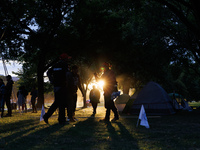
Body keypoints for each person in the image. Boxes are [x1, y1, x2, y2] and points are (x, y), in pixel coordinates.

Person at [43, 53, 74, 125]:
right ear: (64, 59)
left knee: (57, 103)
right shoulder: (65, 65)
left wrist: (51, 80)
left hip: (56, 86)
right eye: (67, 59)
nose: (68, 60)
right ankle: (61, 119)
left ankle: (48, 116)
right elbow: (67, 75)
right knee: (62, 103)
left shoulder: (55, 65)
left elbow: (48, 72)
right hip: (62, 86)